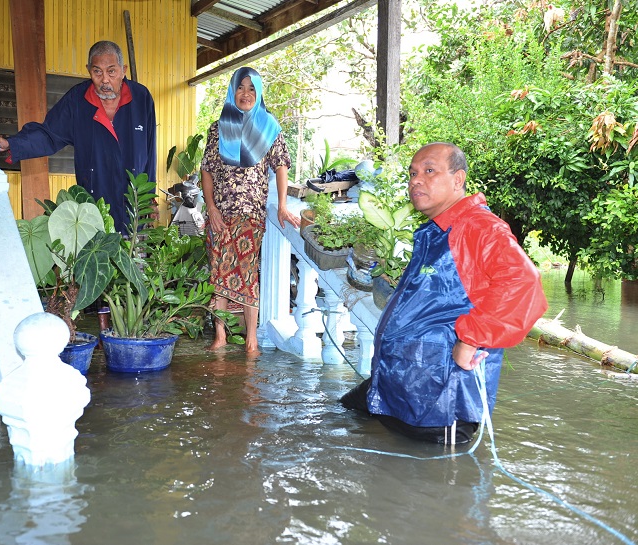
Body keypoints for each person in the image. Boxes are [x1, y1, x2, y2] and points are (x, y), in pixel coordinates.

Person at [340, 142, 548, 444]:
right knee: (346, 412)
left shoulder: (479, 227)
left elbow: (523, 284)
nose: (416, 180)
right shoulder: (438, 230)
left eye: (429, 171)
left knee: (436, 484)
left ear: (458, 180)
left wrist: (470, 339)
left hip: (442, 400)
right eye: (413, 173)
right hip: (403, 383)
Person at [0, 40, 156, 233]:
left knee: (135, 258)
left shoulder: (141, 98)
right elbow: (48, 134)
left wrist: (149, 197)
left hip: (134, 202)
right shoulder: (77, 100)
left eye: (111, 71)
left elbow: (150, 151)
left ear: (123, 70)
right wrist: (9, 143)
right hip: (94, 204)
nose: (105, 80)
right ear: (88, 70)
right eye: (97, 72)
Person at [201, 66, 301, 354]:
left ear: (258, 93)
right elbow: (207, 170)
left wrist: (281, 205)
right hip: (220, 213)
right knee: (218, 273)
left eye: (251, 88)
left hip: (251, 214)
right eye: (240, 88)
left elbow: (280, 165)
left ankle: (251, 339)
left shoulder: (268, 126)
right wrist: (210, 207)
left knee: (247, 273)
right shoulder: (218, 127)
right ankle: (220, 335)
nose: (245, 94)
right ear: (233, 91)